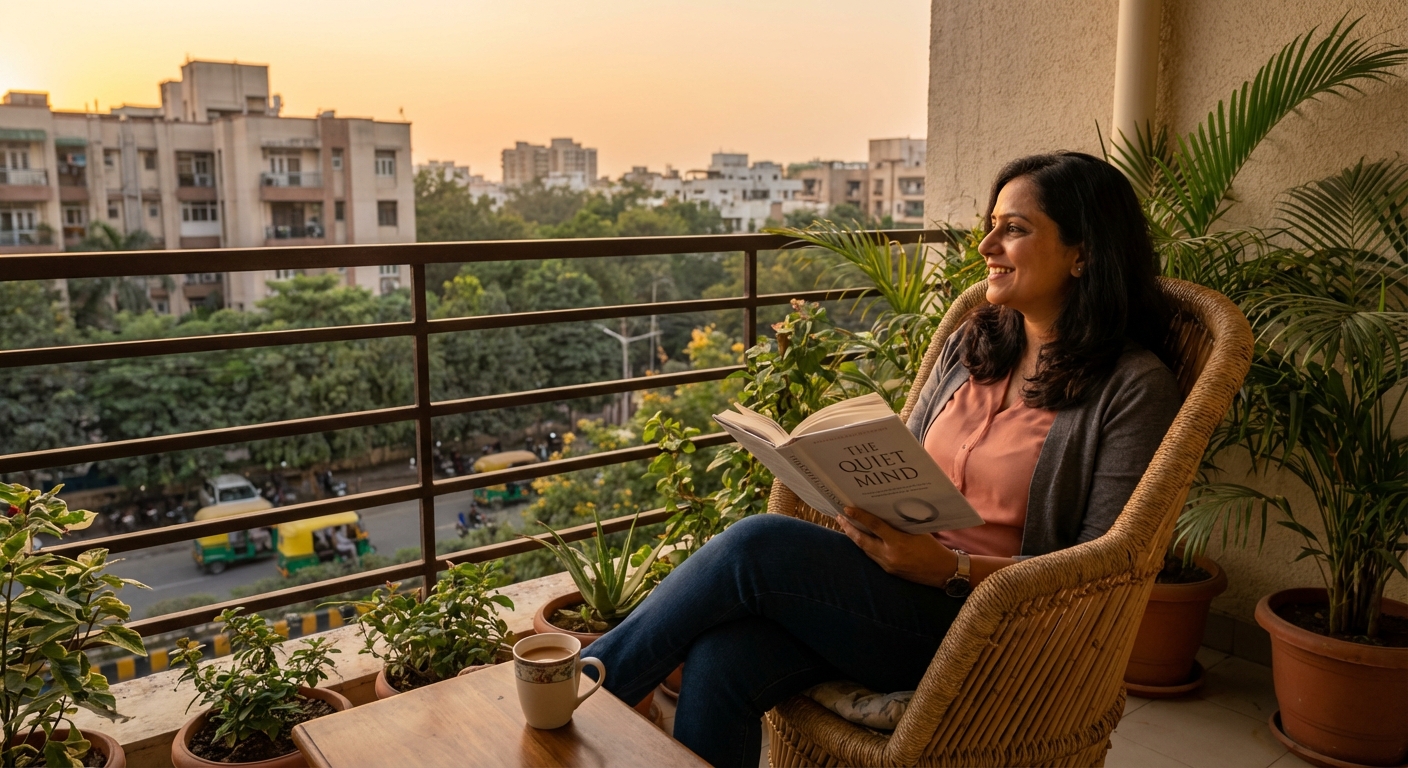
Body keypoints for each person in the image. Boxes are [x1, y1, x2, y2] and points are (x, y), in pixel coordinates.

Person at [582, 152, 1183, 767]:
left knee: (752, 546)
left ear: (1084, 253)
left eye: (1015, 229)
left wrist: (947, 567)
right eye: (991, 223)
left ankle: (577, 693)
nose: (986, 246)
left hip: (990, 623)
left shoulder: (1133, 387)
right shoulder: (973, 343)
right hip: (889, 590)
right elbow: (909, 457)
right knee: (722, 657)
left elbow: (1098, 569)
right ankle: (581, 695)